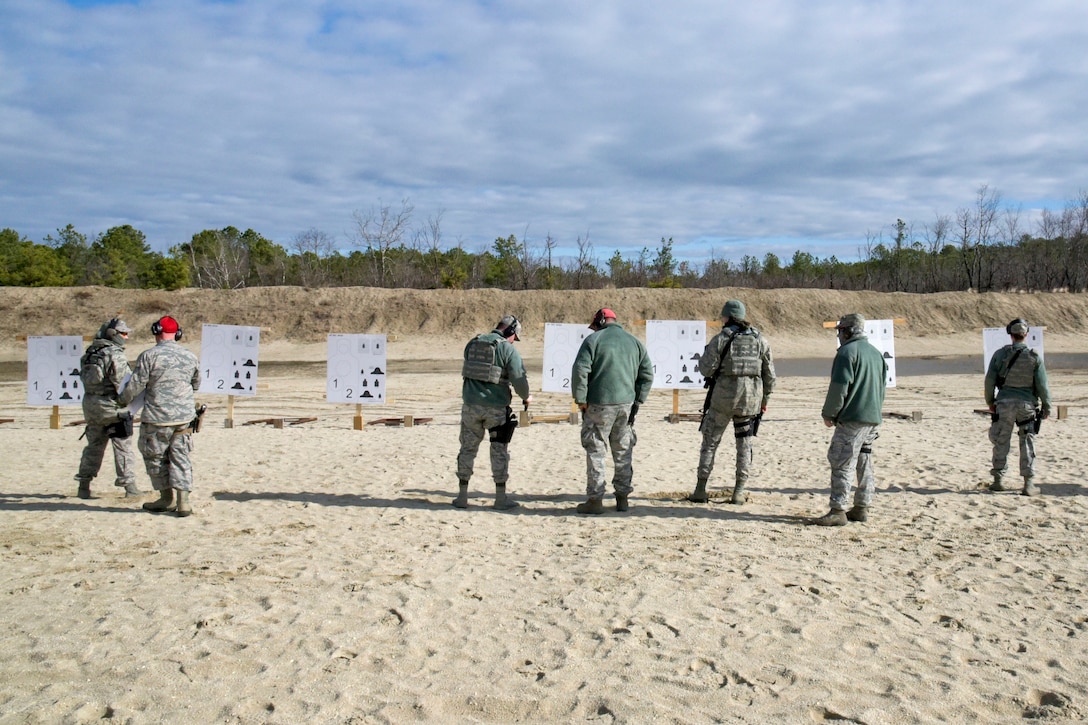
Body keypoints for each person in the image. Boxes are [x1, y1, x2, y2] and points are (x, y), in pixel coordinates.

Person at [687, 300, 776, 505]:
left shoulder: (721, 339)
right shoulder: (760, 340)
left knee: (710, 442)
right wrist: (765, 399)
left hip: (722, 400)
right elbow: (769, 375)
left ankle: (701, 489)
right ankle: (739, 491)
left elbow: (705, 369)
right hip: (750, 401)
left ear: (727, 317)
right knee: (744, 445)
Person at [571, 308, 654, 514]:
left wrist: (581, 399)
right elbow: (647, 375)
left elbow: (580, 370)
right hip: (626, 404)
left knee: (596, 451)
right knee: (623, 451)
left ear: (600, 321)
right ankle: (623, 498)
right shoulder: (634, 342)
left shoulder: (593, 341)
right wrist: (638, 400)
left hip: (599, 404)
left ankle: (595, 500)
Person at [118, 316, 201, 517]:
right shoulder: (190, 356)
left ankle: (166, 498)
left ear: (156, 331)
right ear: (177, 334)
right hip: (183, 418)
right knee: (181, 457)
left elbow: (136, 386)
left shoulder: (148, 356)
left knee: (155, 457)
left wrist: (122, 400)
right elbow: (196, 383)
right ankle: (184, 501)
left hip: (157, 418)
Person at [812, 313, 887, 526]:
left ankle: (838, 509)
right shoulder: (876, 354)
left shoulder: (846, 353)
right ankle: (862, 506)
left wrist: (829, 414)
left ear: (848, 330)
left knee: (841, 460)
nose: (839, 335)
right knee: (864, 461)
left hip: (853, 417)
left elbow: (839, 389)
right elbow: (881, 389)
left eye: (841, 330)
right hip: (873, 417)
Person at [454, 315, 532, 510]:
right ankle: (500, 498)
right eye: (514, 336)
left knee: (467, 450)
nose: (514, 340)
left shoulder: (473, 343)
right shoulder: (507, 348)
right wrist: (526, 397)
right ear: (510, 331)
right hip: (496, 409)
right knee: (499, 451)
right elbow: (519, 379)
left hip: (470, 406)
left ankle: (462, 496)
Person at [74, 318, 142, 499]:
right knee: (123, 446)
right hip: (113, 409)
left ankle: (84, 485)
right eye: (123, 333)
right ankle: (130, 486)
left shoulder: (90, 353)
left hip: (91, 407)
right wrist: (130, 402)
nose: (126, 337)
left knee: (94, 446)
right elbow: (123, 385)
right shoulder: (115, 354)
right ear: (113, 334)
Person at [984, 318, 1051, 496]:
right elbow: (1043, 386)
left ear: (1010, 335)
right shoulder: (1034, 356)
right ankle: (1028, 483)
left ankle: (998, 480)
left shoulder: (1000, 354)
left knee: (1001, 441)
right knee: (1027, 442)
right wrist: (1047, 407)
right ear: (1026, 334)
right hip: (1027, 405)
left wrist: (990, 402)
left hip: (1004, 404)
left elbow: (989, 381)